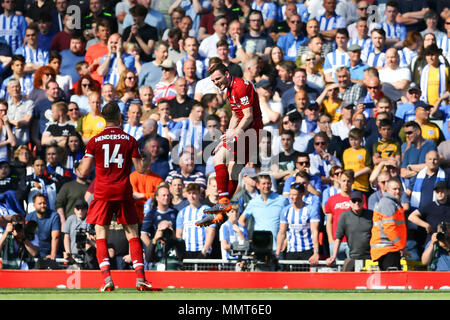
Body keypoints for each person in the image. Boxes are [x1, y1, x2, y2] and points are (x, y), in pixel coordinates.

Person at [77, 101, 157, 291]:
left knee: (101, 234)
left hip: (102, 191)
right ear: (120, 117)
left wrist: (80, 167)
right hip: (122, 190)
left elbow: (84, 171)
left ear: (103, 118)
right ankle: (140, 279)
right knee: (132, 233)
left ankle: (106, 279)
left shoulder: (94, 141)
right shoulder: (129, 140)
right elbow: (139, 168)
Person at [197, 62, 263, 226]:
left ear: (227, 74)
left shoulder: (240, 87)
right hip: (242, 130)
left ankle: (222, 203)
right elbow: (235, 114)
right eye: (213, 81)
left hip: (250, 132)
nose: (216, 82)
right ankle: (223, 205)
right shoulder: (229, 89)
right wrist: (227, 134)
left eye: (218, 78)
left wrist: (236, 132)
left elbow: (248, 116)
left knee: (226, 164)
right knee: (225, 163)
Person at [238, 173, 290, 251]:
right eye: (263, 184)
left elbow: (291, 221)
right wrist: (247, 238)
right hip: (259, 247)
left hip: (277, 247)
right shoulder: (253, 202)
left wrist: (286, 240)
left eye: (268, 183)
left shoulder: (282, 200)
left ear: (271, 184)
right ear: (258, 185)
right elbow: (241, 220)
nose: (266, 186)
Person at [325, 169, 367, 260]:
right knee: (337, 270)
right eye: (343, 181)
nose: (346, 183)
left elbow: (363, 220)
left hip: (354, 243)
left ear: (352, 182)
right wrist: (330, 240)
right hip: (336, 242)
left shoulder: (359, 198)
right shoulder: (332, 200)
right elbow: (329, 222)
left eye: (348, 181)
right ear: (339, 181)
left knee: (353, 269)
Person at [326, 190, 373, 270]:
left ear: (363, 201)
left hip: (371, 257)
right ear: (350, 203)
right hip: (353, 256)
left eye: (359, 200)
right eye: (354, 201)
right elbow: (338, 237)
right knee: (346, 279)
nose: (357, 203)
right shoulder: (344, 216)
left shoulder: (371, 215)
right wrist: (333, 256)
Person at [276, 183, 320, 266]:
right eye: (290, 194)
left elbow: (314, 232)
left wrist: (316, 252)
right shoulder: (286, 211)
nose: (291, 197)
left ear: (301, 195)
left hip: (307, 250)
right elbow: (282, 232)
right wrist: (278, 252)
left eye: (294, 195)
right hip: (292, 250)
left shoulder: (310, 210)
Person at [370, 178, 408, 271]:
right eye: (394, 189)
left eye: (399, 189)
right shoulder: (388, 203)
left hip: (388, 248)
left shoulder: (392, 203)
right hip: (387, 249)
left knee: (389, 282)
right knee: (393, 282)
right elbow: (389, 228)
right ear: (387, 190)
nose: (398, 191)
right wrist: (401, 246)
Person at [176, 182, 215, 257]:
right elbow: (179, 234)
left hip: (202, 251)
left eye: (194, 193)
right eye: (189, 193)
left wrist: (205, 250)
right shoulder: (182, 213)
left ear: (199, 194)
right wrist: (181, 250)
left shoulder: (207, 210)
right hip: (187, 251)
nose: (191, 196)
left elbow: (211, 231)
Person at [62, 199, 97, 269]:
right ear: (75, 210)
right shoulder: (70, 219)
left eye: (83, 209)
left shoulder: (90, 220)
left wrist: (89, 238)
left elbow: (95, 237)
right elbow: (66, 236)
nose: (80, 211)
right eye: (78, 209)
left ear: (87, 210)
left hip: (88, 255)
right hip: (73, 254)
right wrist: (68, 251)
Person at [25, 193, 61, 261]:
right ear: (34, 205)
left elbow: (55, 237)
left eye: (44, 203)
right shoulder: (29, 217)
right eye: (40, 203)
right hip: (34, 253)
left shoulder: (54, 216)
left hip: (49, 253)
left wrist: (52, 254)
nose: (43, 205)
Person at [342, 128, 372, 195]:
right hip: (348, 186)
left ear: (361, 139)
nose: (353, 142)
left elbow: (369, 168)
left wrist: (356, 174)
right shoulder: (346, 152)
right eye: (351, 140)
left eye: (356, 139)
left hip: (361, 186)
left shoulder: (364, 152)